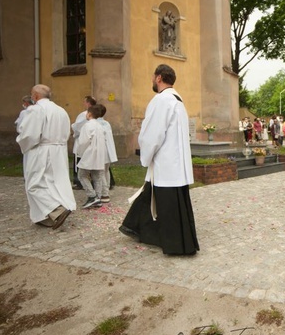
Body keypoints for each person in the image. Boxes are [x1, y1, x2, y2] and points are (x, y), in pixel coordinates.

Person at [119, 64, 199, 255]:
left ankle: (174, 244)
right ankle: (140, 229)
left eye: (153, 76)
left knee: (165, 204)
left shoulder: (161, 100)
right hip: (176, 164)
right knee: (157, 198)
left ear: (159, 78)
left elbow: (152, 134)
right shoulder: (178, 101)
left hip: (166, 163)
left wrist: (145, 156)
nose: (152, 80)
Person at [16, 84, 76, 229]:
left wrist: (23, 143)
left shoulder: (36, 110)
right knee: (55, 182)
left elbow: (29, 134)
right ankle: (45, 217)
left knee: (34, 184)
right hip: (59, 151)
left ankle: (56, 210)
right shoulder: (61, 110)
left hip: (41, 150)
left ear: (35, 96)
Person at [75, 105, 108, 209]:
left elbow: (83, 141)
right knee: (97, 176)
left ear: (89, 114)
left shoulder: (87, 125)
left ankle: (92, 196)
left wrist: (79, 153)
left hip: (89, 154)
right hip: (100, 155)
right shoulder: (100, 126)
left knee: (82, 175)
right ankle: (98, 198)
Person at [71, 96, 97, 190]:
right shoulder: (98, 113)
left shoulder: (84, 114)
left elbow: (78, 127)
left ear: (89, 103)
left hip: (82, 141)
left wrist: (73, 129)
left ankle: (79, 182)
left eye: (84, 102)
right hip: (93, 142)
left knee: (79, 162)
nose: (83, 104)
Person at [94, 104, 118, 191]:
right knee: (106, 170)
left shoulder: (95, 124)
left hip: (101, 150)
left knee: (101, 172)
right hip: (108, 150)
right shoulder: (106, 123)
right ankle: (107, 186)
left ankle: (104, 190)